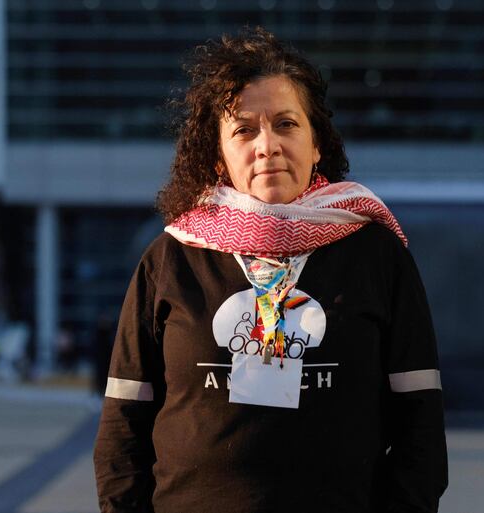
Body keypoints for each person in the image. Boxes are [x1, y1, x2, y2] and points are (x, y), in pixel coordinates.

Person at [93, 27, 448, 513]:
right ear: (218, 156)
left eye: (286, 124)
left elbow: (421, 427)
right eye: (243, 129)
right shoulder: (170, 258)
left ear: (317, 142)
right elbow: (122, 425)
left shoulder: (378, 255)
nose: (267, 145)